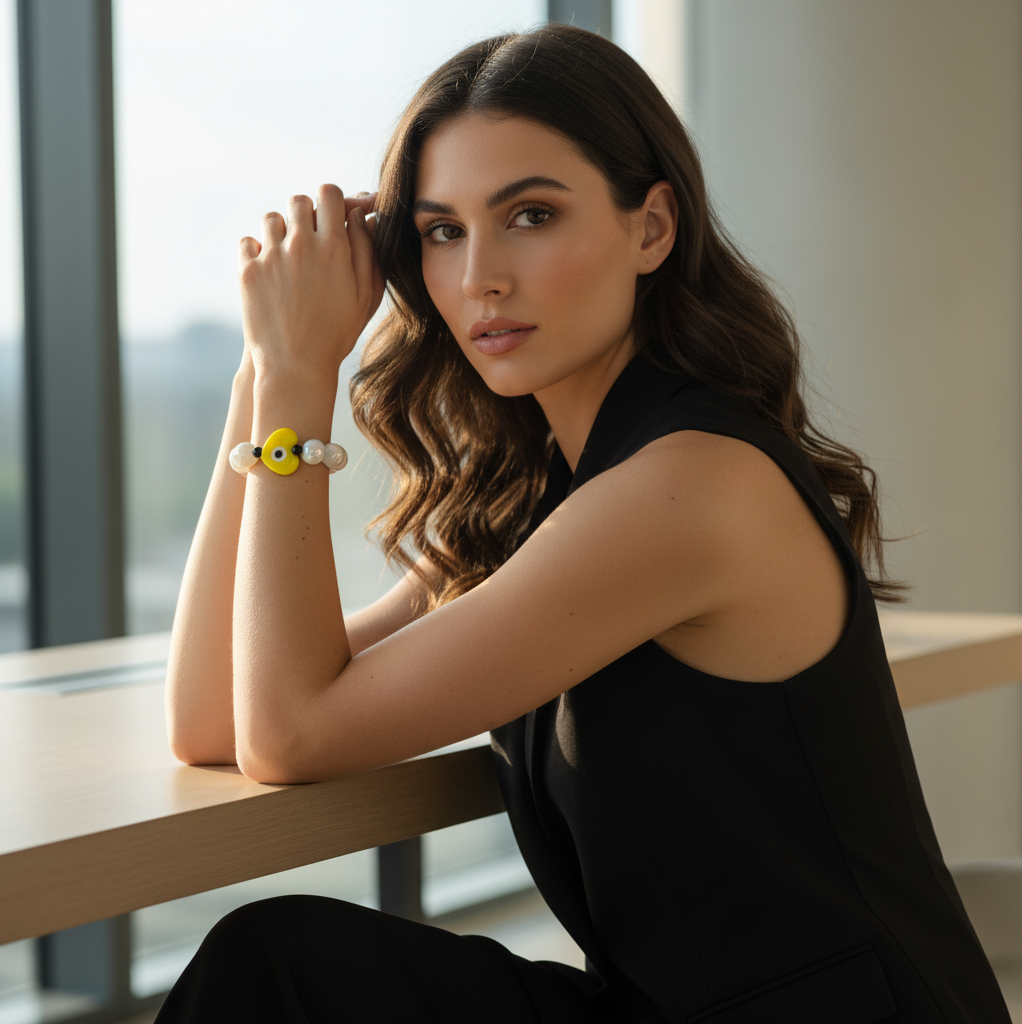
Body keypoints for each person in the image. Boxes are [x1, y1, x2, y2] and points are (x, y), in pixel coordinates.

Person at [154, 24, 1010, 1024]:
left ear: (651, 227)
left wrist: (305, 380)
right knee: (284, 963)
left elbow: (289, 735)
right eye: (440, 230)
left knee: (281, 970)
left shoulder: (689, 487)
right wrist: (264, 370)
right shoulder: (536, 498)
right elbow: (214, 717)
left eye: (529, 214)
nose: (482, 275)